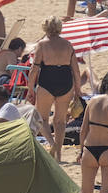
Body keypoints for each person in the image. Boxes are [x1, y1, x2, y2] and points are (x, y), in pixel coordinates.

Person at [29, 16, 80, 159]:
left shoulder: (42, 45)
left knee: (41, 119)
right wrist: (78, 89)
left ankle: (52, 144)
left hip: (47, 82)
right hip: (65, 81)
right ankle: (58, 153)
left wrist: (29, 88)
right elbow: (76, 70)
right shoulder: (68, 45)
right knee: (60, 121)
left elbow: (34, 69)